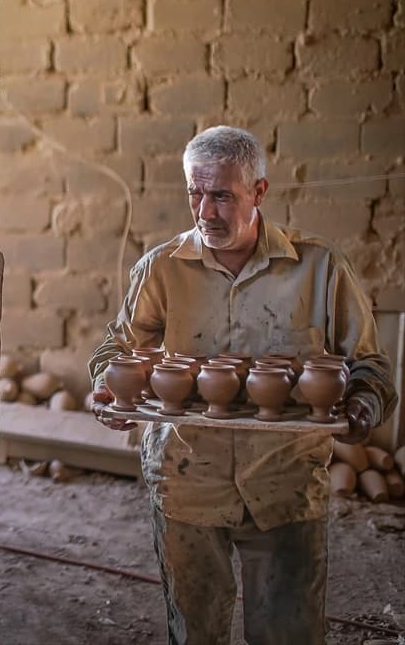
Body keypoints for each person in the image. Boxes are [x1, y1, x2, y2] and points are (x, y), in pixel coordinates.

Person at [88, 125, 396, 645]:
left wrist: (362, 405)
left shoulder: (320, 268)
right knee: (197, 633)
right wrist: (108, 391)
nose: (205, 211)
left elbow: (370, 366)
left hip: (286, 487)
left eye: (222, 196)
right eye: (194, 193)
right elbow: (114, 353)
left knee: (289, 635)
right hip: (187, 484)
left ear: (259, 192)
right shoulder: (161, 268)